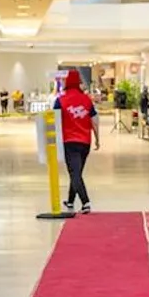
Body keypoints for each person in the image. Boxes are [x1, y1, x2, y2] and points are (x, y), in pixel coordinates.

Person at [54, 69, 99, 215]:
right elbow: (94, 120)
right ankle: (70, 200)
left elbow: (54, 121)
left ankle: (86, 202)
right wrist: (98, 138)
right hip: (85, 141)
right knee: (77, 171)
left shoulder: (60, 100)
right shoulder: (87, 100)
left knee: (74, 173)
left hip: (69, 141)